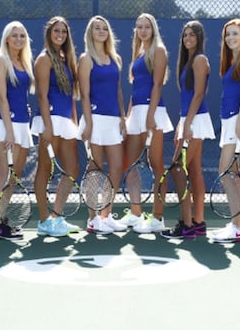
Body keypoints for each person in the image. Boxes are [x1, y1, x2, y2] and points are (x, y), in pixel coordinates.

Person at [117, 13, 173, 234]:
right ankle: (136, 212)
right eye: (139, 27)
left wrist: (150, 115)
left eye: (147, 27)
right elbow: (136, 89)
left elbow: (157, 85)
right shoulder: (138, 52)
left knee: (156, 164)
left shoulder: (158, 50)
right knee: (129, 163)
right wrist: (129, 116)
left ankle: (157, 218)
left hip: (154, 112)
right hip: (137, 112)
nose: (142, 30)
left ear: (153, 29)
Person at [161, 20, 215, 239]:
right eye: (185, 36)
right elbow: (188, 96)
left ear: (199, 38)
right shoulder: (189, 61)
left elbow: (199, 94)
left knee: (176, 169)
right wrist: (182, 124)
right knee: (194, 171)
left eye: (192, 35)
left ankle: (187, 224)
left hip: (196, 121)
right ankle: (199, 222)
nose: (188, 39)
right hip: (190, 120)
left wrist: (188, 125)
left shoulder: (200, 60)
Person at [31, 17, 81, 237]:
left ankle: (56, 216)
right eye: (56, 31)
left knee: (72, 169)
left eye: (64, 31)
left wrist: (75, 120)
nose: (60, 35)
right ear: (49, 33)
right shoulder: (43, 59)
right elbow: (41, 95)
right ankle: (43, 221)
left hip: (66, 121)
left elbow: (71, 94)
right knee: (45, 169)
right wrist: (48, 127)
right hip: (49, 121)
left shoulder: (66, 57)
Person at [78, 15, 128, 234]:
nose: (101, 31)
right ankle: (92, 219)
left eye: (104, 28)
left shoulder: (115, 58)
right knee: (94, 171)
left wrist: (123, 118)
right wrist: (88, 123)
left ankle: (106, 215)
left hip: (113, 120)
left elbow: (118, 91)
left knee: (116, 167)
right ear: (91, 33)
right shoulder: (86, 58)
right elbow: (85, 94)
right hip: (95, 120)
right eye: (97, 28)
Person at [210, 19, 240, 243]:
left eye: (235, 34)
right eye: (227, 34)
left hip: (237, 121)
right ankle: (239, 225)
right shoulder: (231, 61)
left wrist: (239, 122)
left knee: (227, 170)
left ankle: (238, 225)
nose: (230, 38)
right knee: (237, 172)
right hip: (230, 120)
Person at [0, 21, 35, 241]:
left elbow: (19, 93)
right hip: (8, 126)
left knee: (13, 178)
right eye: (14, 35)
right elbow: (1, 97)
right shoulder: (0, 61)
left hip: (22, 125)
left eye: (22, 36)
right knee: (5, 176)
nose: (18, 39)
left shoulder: (24, 62)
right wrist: (8, 130)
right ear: (6, 38)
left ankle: (2, 220)